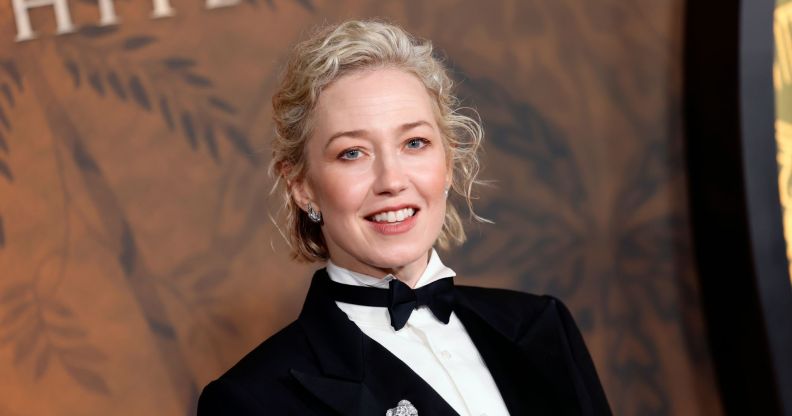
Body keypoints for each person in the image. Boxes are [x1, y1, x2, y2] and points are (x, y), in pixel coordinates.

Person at [198, 19, 610, 416]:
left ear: (448, 161)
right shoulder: (251, 401)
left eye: (414, 142)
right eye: (352, 153)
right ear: (302, 185)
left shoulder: (541, 325)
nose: (392, 181)